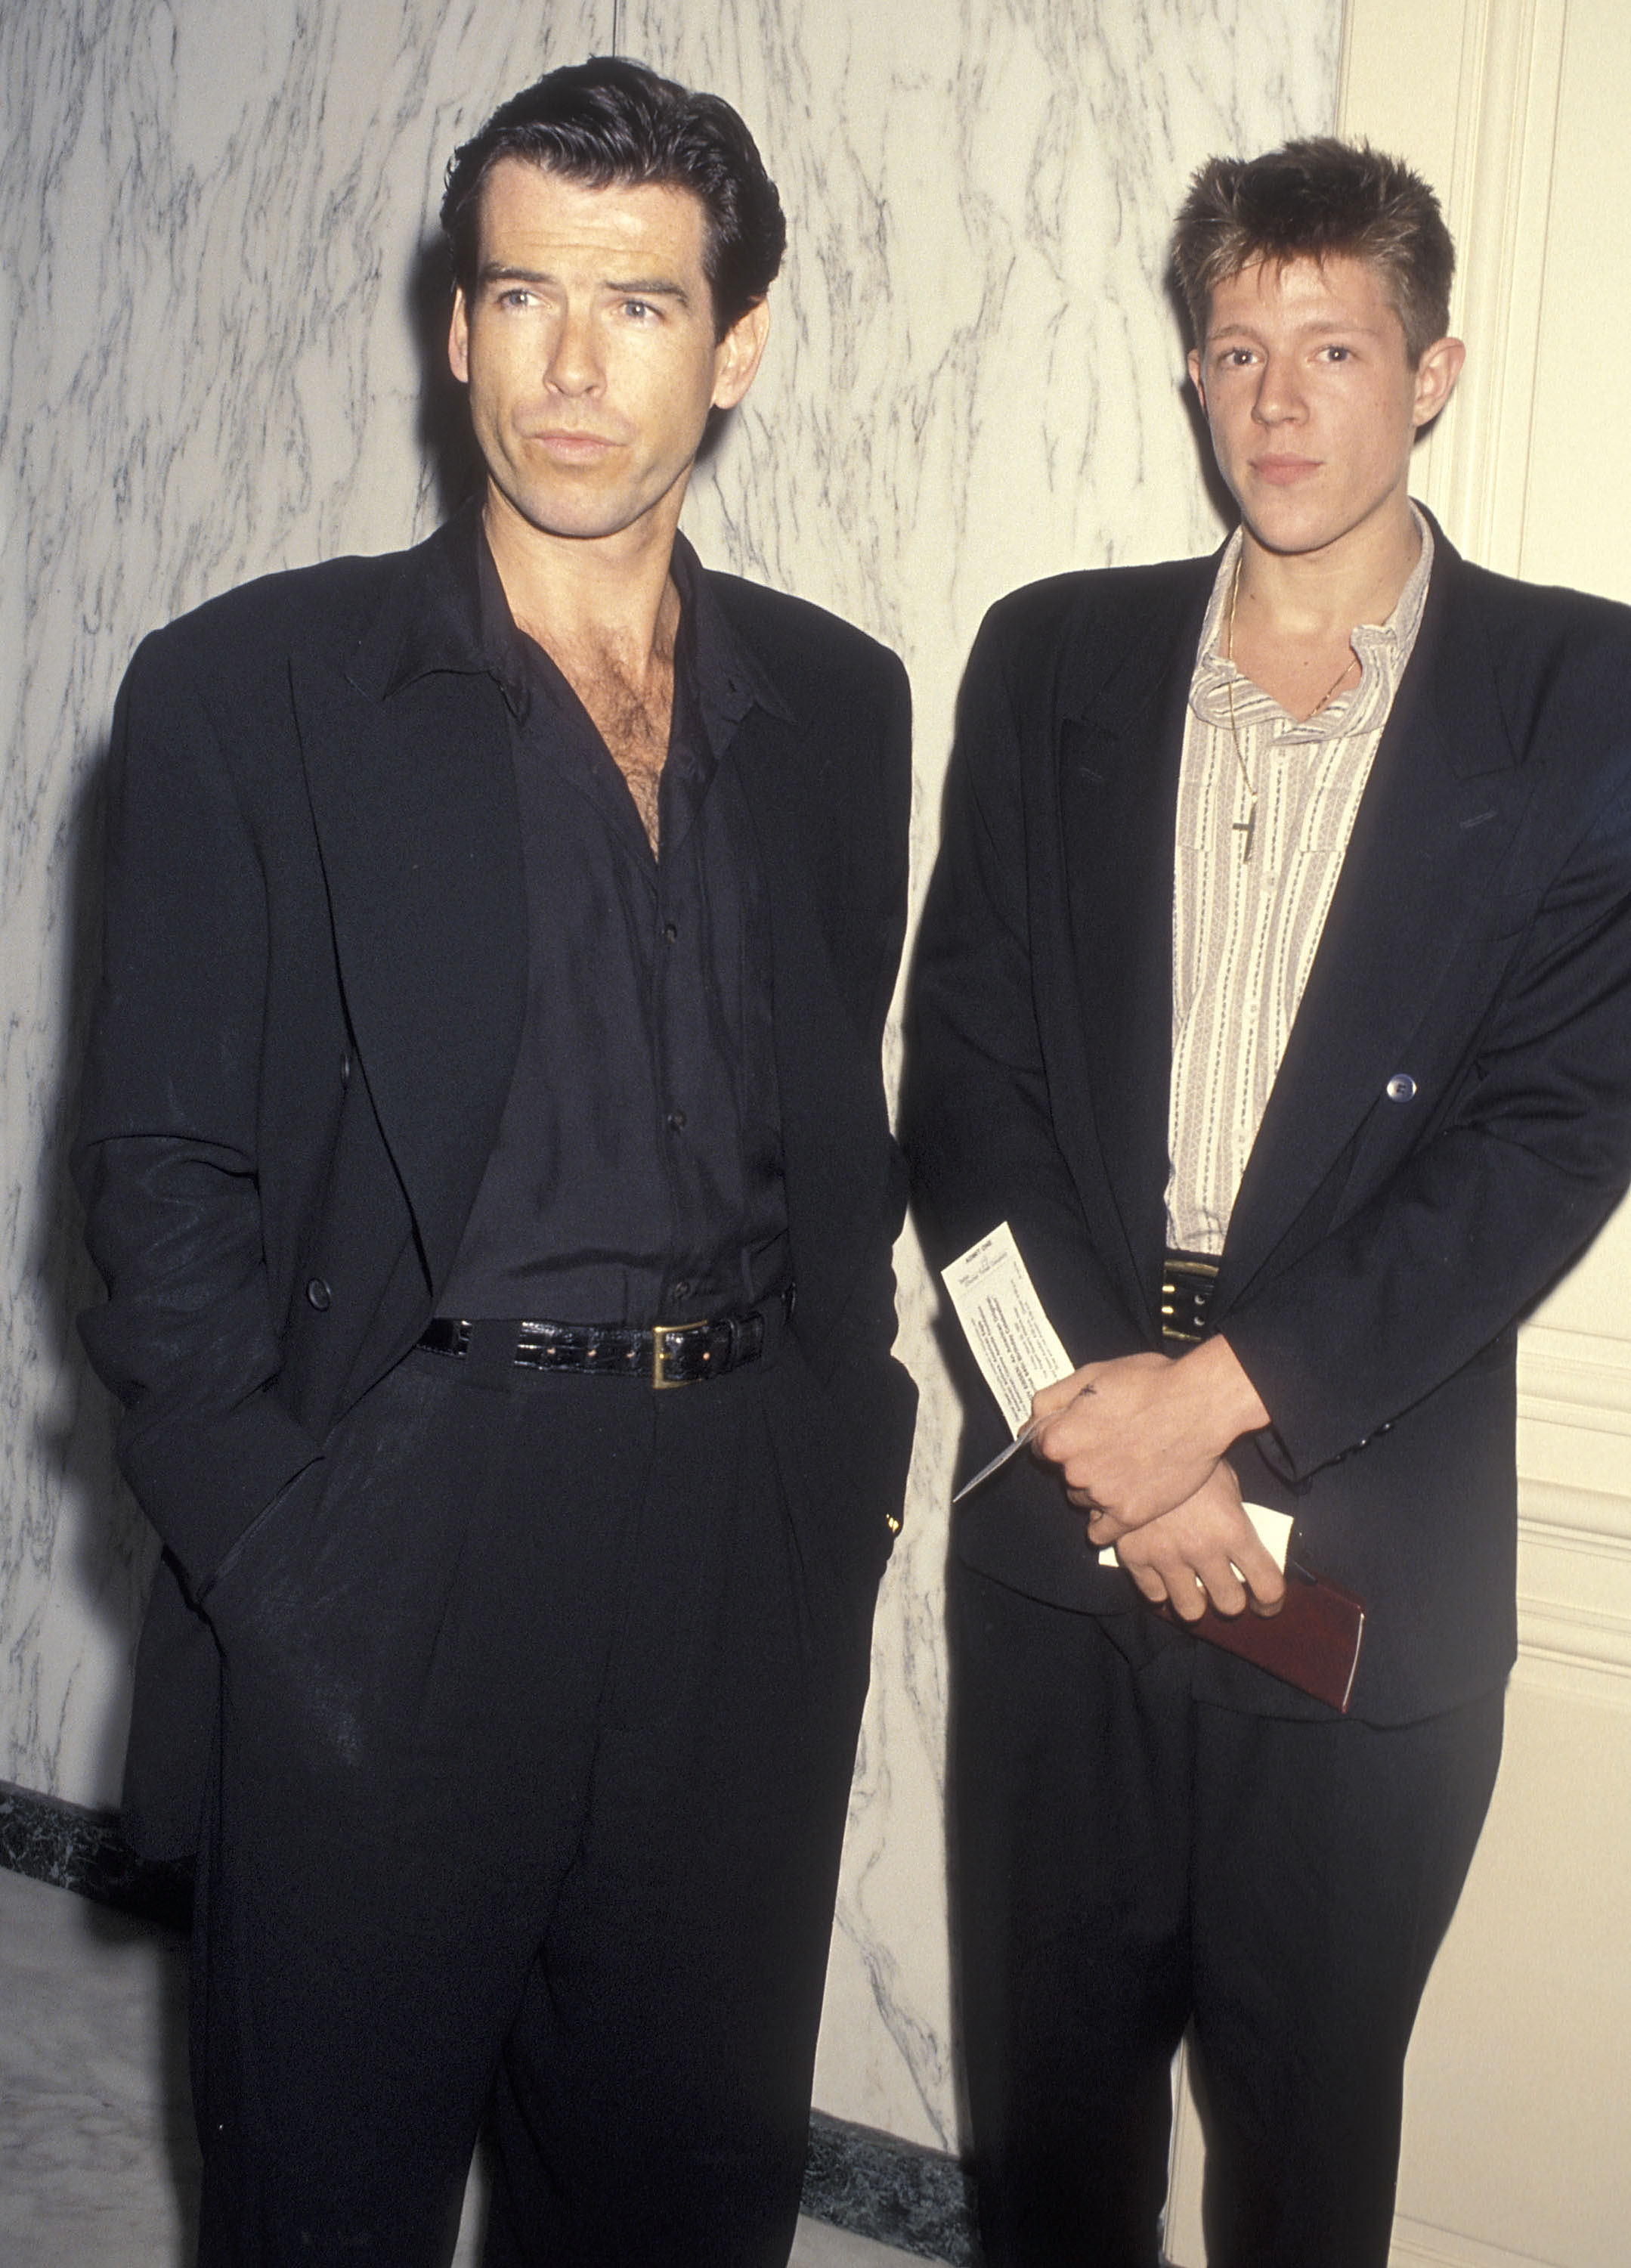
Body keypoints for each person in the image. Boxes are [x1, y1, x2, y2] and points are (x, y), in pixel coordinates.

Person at [74, 56, 915, 2268]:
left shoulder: (846, 706)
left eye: (636, 305)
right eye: (518, 291)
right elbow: (156, 1174)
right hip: (400, 1515)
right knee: (327, 2196)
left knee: (675, 2195)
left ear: (736, 347)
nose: (566, 362)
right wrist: (279, 1547)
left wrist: (852, 1463)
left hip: (742, 1533)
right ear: (452, 324)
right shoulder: (250, 686)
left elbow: (834, 1119)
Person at [903, 137, 1631, 2267]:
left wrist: (1215, 1404)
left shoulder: (1585, 697)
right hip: (1062, 1517)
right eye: (1240, 349)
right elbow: (967, 1095)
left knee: (1310, 2156)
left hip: (1372, 1534)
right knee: (1052, 2141)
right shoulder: (1052, 663)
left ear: (1435, 372)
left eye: (1334, 346)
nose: (1282, 399)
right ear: (1196, 372)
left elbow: (1552, 1137)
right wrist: (1106, 1440)